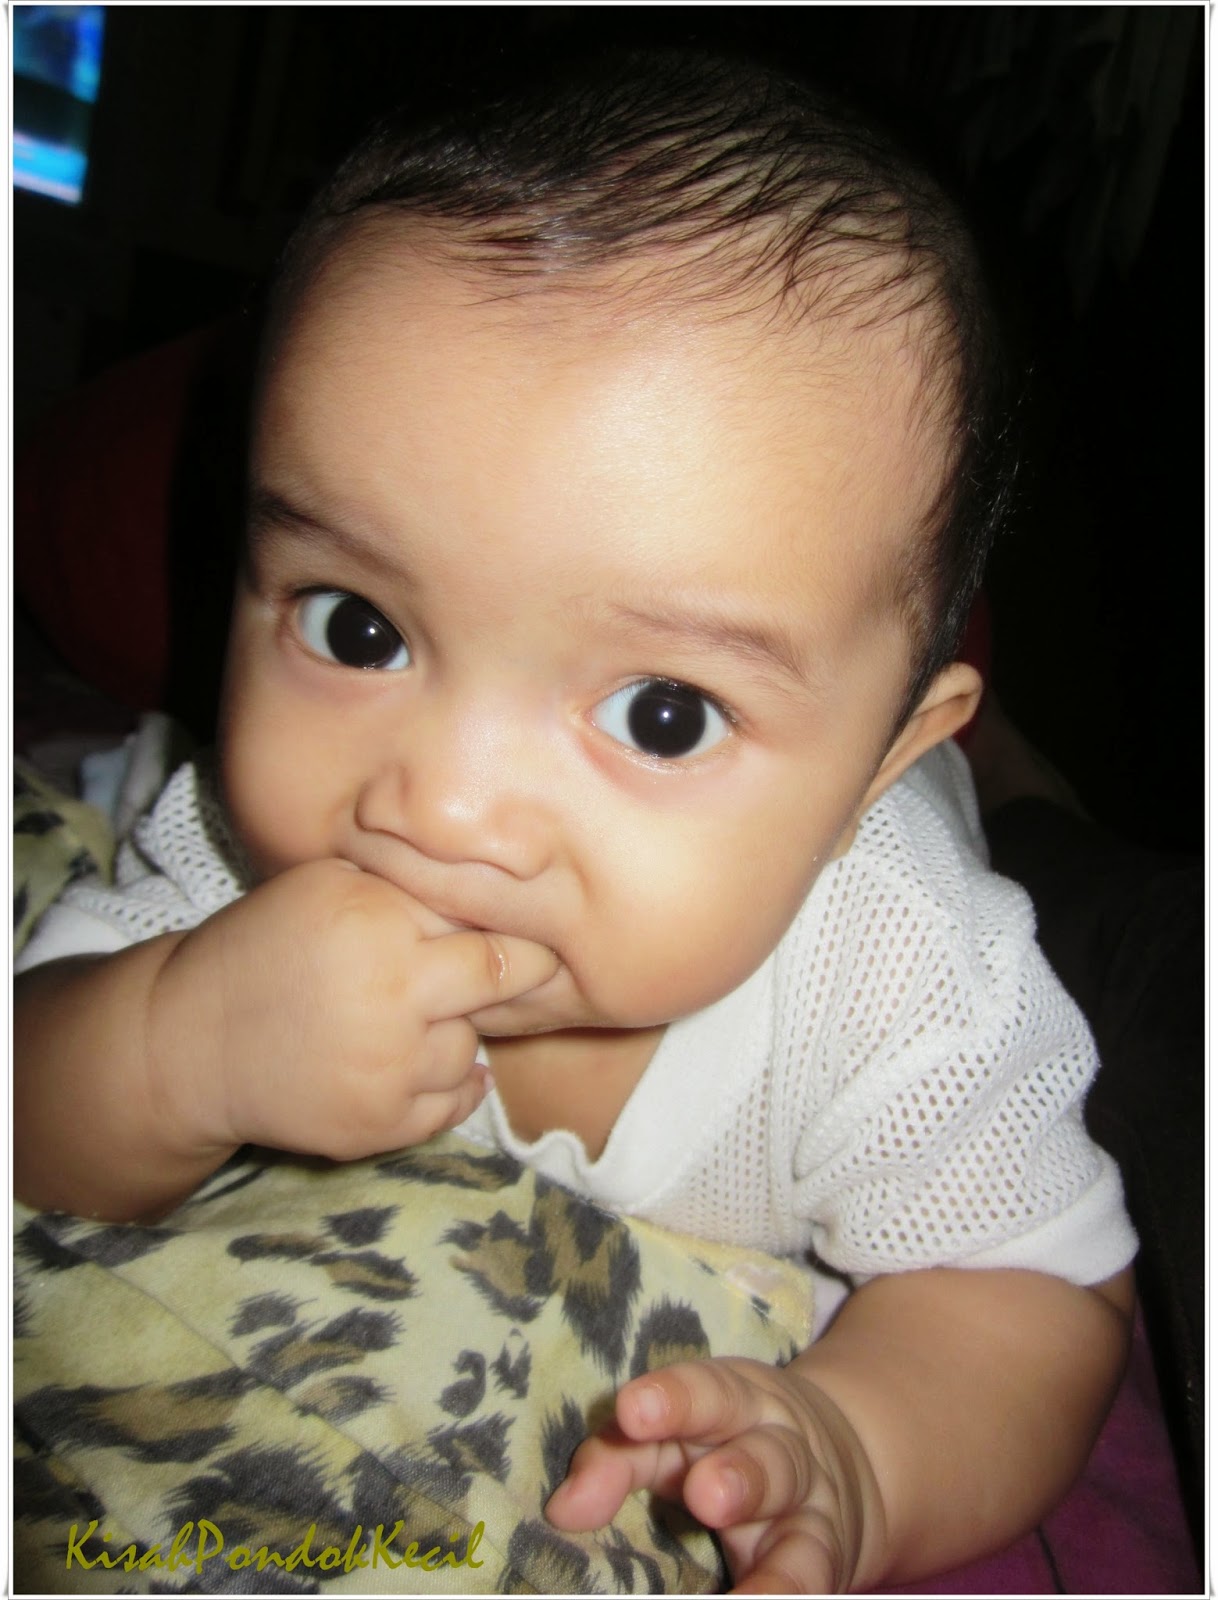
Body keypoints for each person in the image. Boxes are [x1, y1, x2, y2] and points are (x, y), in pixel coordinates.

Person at [14, 52, 1136, 1594]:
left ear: (870, 773)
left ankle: (997, 771)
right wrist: (169, 1043)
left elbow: (1039, 1293)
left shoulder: (907, 980)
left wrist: (860, 1446)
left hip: (912, 778)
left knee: (1021, 804)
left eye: (662, 714)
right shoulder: (246, 849)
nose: (440, 804)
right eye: (354, 627)